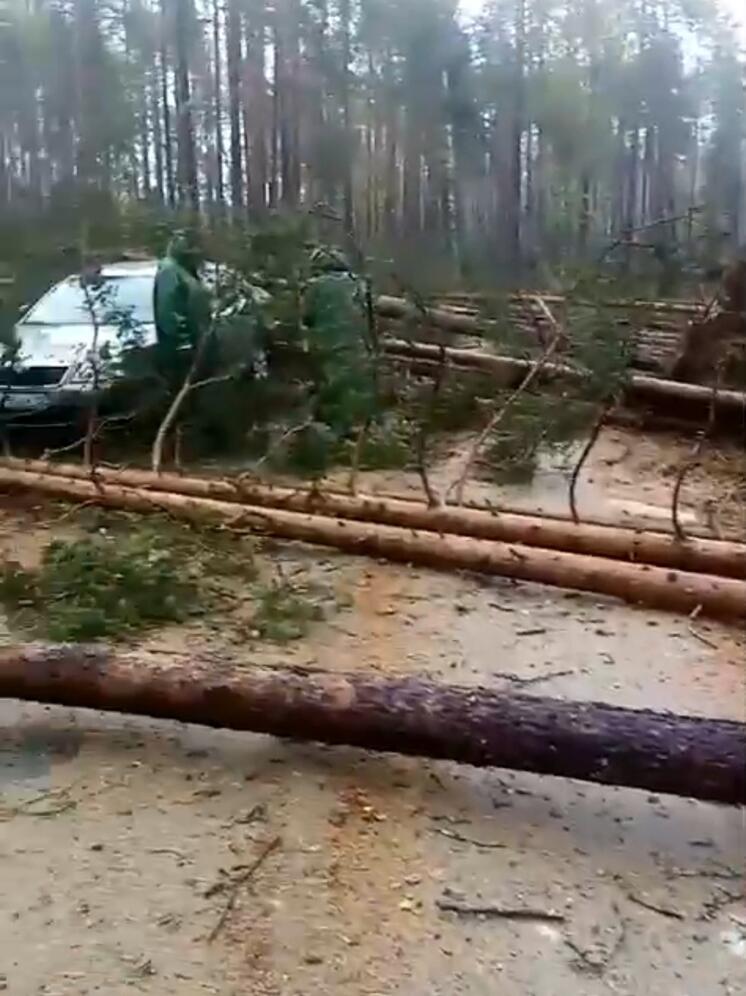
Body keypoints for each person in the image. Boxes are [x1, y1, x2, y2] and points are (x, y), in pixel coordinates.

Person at [153, 231, 212, 388]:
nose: (197, 255)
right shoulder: (170, 271)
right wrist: (183, 345)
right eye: (192, 250)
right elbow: (168, 312)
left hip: (197, 348)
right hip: (181, 355)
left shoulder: (186, 272)